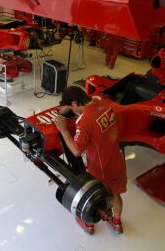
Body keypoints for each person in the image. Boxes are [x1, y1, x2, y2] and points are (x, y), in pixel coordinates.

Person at [54, 86, 127, 235]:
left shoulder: (84, 121)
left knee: (89, 200)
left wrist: (63, 130)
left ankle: (87, 224)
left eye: (69, 106)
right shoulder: (103, 104)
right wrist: (69, 109)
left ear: (74, 103)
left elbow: (76, 151)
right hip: (118, 161)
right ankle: (117, 222)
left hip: (100, 169)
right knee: (115, 194)